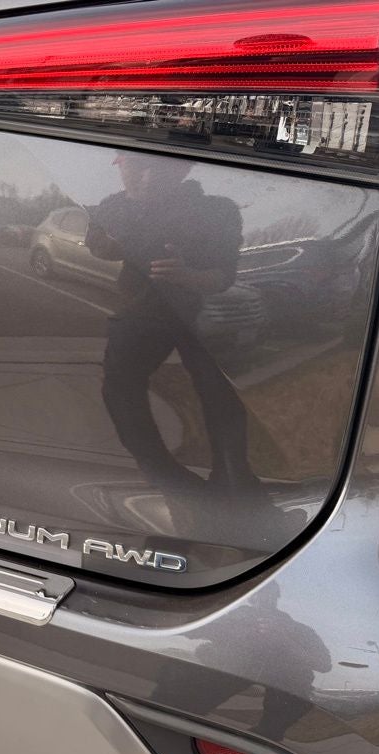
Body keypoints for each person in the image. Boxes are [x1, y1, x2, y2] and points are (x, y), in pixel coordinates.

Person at [88, 152, 261, 506]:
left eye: (163, 166)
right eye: (137, 165)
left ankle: (235, 481)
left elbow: (224, 275)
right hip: (141, 311)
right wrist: (123, 231)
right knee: (119, 387)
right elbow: (98, 247)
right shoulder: (111, 206)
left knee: (219, 393)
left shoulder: (217, 209)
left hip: (200, 313)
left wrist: (188, 276)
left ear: (185, 167)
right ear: (119, 163)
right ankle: (167, 478)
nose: (149, 177)